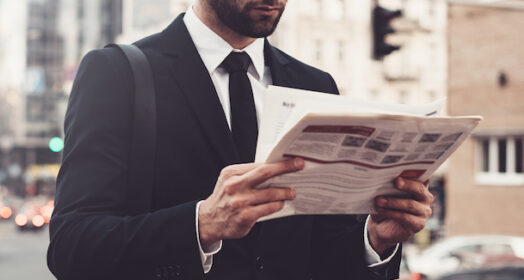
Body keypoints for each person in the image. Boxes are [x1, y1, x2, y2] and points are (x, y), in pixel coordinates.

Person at [47, 0, 434, 279]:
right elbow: (71, 248)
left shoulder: (315, 86)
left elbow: (321, 256)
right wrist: (201, 223)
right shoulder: (119, 73)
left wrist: (375, 240)